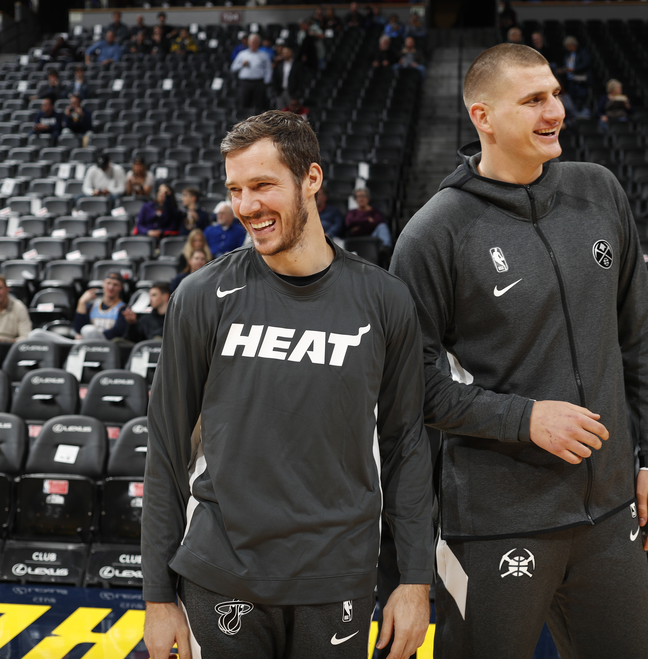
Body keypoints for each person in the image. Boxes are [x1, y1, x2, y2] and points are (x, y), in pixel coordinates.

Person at [390, 43, 648, 659]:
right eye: (534, 100)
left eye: (555, 95)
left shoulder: (599, 190)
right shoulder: (433, 234)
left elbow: (640, 338)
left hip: (610, 511)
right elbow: (412, 385)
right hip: (497, 519)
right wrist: (525, 419)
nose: (555, 111)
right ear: (483, 117)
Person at [142, 111, 433, 659]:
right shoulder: (200, 297)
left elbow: (406, 446)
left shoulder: (385, 300)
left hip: (338, 578)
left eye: (262, 185)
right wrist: (157, 596)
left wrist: (414, 578)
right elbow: (166, 447)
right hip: (221, 574)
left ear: (311, 178)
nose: (246, 205)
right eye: (235, 189)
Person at [72, 273, 126, 341]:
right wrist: (81, 302)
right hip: (90, 342)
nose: (111, 287)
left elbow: (117, 332)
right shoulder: (93, 306)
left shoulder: (123, 308)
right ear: (103, 284)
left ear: (120, 287)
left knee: (89, 330)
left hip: (109, 344)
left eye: (115, 285)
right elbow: (79, 329)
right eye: (108, 283)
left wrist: (95, 335)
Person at [231, 33, 272, 112]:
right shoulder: (242, 54)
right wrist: (241, 64)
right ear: (248, 42)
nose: (254, 44)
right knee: (244, 104)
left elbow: (268, 69)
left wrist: (266, 82)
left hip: (259, 83)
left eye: (256, 42)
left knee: (258, 106)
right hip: (245, 83)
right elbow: (233, 68)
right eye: (252, 42)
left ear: (258, 43)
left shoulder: (264, 55)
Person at [556, 36, 590, 105]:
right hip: (570, 80)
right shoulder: (568, 55)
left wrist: (574, 69)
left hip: (580, 80)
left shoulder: (582, 52)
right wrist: (563, 70)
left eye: (569, 46)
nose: (567, 48)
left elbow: (586, 64)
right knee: (572, 99)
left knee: (581, 99)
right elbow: (566, 65)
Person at [271, 45, 307, 110]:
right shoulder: (279, 65)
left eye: (287, 52)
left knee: (291, 112)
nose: (285, 54)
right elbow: (275, 79)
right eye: (283, 52)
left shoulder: (297, 65)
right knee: (280, 112)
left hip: (292, 93)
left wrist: (297, 95)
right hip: (280, 92)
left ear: (291, 53)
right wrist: (276, 91)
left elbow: (301, 81)